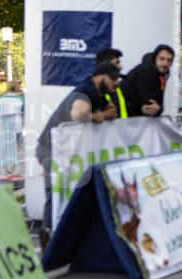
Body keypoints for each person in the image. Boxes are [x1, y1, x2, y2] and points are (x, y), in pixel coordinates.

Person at [36, 63, 121, 246]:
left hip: (67, 151)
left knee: (72, 190)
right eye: (113, 79)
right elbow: (78, 114)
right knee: (57, 191)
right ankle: (48, 236)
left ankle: (64, 237)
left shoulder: (99, 94)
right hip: (51, 149)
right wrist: (96, 117)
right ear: (101, 76)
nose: (116, 83)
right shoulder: (86, 90)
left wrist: (103, 115)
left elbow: (113, 111)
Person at [119, 44, 173, 118]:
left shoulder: (160, 75)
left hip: (132, 117)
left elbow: (156, 104)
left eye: (169, 60)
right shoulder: (145, 72)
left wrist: (159, 109)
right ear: (155, 58)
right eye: (162, 59)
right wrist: (158, 109)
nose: (165, 64)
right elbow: (148, 106)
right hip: (125, 117)